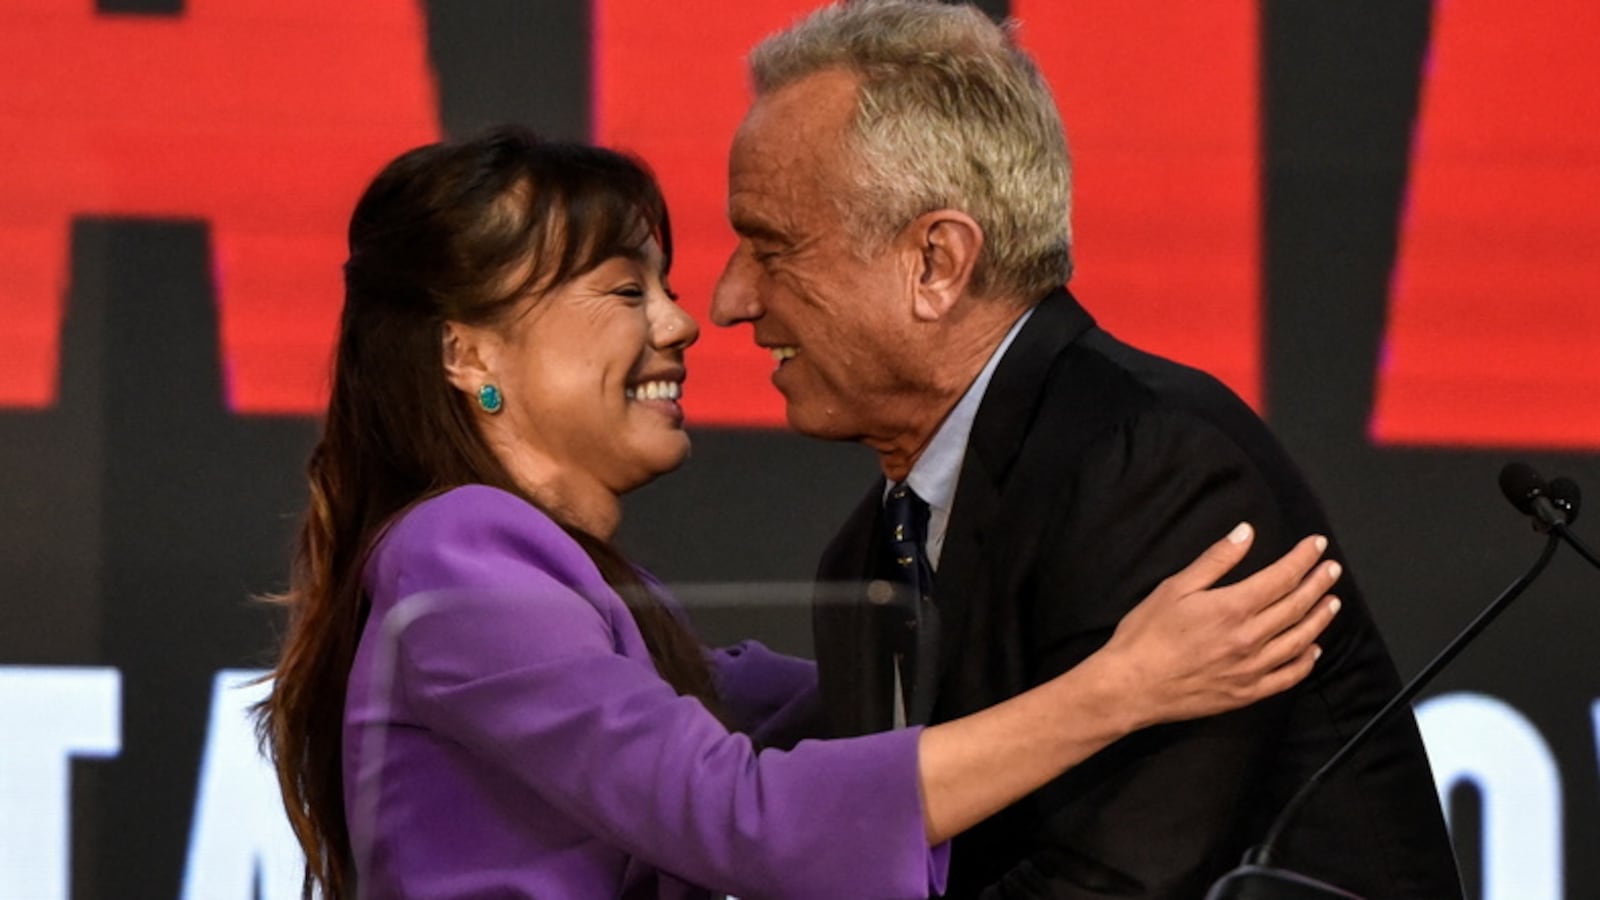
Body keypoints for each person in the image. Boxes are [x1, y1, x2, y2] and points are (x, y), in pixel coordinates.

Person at [255, 127, 1341, 900]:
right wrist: (1117, 690)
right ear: (468, 352)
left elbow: (831, 710)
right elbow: (739, 815)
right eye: (626, 291)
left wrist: (1061, 631)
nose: (686, 321)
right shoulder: (460, 557)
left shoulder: (545, 585)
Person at [709, 2, 1463, 898]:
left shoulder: (1155, 468)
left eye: (772, 247)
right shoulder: (874, 548)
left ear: (937, 264)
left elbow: (1113, 880)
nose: (728, 299)